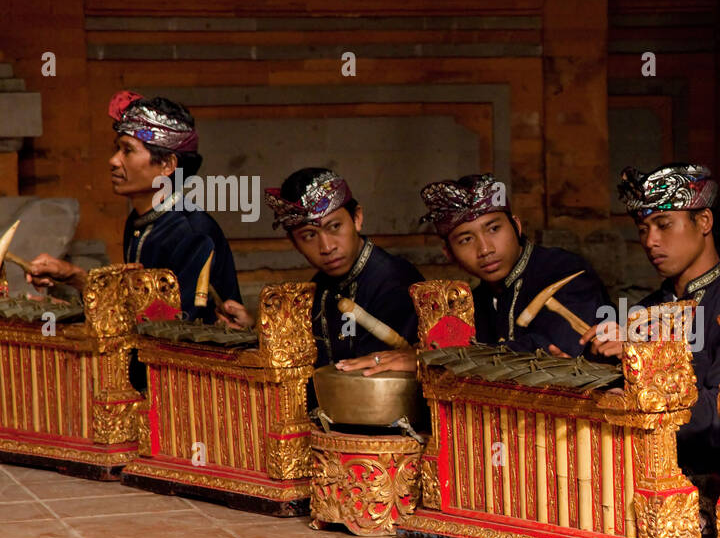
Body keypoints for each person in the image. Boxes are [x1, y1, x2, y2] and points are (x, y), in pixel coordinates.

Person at [583, 163, 720, 503]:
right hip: (640, 482)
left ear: (703, 222)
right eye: (642, 228)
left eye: (664, 225)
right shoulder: (647, 308)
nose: (650, 241)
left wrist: (646, 362)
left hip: (715, 493)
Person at [25, 91, 241, 323]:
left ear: (167, 165)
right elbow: (136, 305)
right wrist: (73, 281)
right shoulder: (141, 221)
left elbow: (169, 327)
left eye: (127, 150)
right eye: (116, 149)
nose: (114, 160)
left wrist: (78, 280)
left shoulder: (192, 233)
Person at [220, 168, 421, 376]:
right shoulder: (320, 286)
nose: (326, 247)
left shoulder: (395, 281)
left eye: (334, 226)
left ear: (357, 218)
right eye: (309, 236)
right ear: (294, 243)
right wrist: (256, 331)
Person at [419, 173, 609, 355]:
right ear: (449, 254)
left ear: (516, 226)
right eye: (466, 240)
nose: (485, 249)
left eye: (494, 229)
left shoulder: (566, 271)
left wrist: (447, 358)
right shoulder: (472, 302)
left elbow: (550, 350)